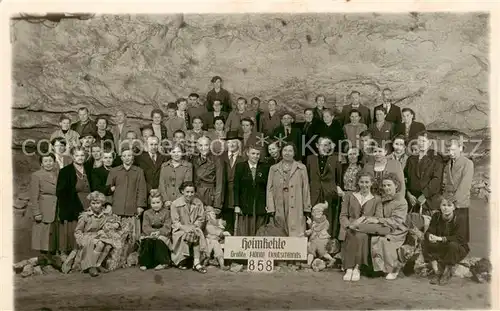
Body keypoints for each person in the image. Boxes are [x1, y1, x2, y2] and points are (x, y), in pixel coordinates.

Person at [106, 146, 147, 265]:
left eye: (129, 155)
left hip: (132, 208)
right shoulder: (114, 171)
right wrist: (109, 204)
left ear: (133, 158)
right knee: (118, 236)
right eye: (124, 156)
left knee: (132, 237)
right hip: (117, 208)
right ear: (121, 158)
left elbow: (141, 189)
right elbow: (108, 190)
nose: (127, 158)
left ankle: (129, 259)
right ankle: (116, 260)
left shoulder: (138, 171)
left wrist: (140, 205)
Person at [339, 171, 382, 281]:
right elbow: (343, 215)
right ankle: (349, 268)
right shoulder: (350, 196)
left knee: (361, 236)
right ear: (358, 182)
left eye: (367, 182)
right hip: (350, 227)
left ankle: (356, 268)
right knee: (352, 234)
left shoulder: (376, 199)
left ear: (372, 183)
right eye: (362, 182)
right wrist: (349, 225)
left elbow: (378, 218)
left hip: (365, 228)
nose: (364, 185)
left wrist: (364, 219)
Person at [266, 142, 311, 237]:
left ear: (294, 153)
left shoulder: (301, 168)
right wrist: (271, 207)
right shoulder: (273, 169)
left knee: (296, 232)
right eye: (285, 150)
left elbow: (305, 188)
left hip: (296, 204)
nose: (287, 153)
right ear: (281, 152)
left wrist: (306, 207)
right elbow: (269, 189)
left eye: (290, 151)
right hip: (279, 204)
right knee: (280, 232)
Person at [423, 195, 470, 285]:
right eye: (443, 205)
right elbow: (429, 231)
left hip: (457, 248)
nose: (446, 208)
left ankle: (446, 272)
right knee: (425, 242)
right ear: (440, 206)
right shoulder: (436, 216)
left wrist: (440, 238)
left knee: (453, 245)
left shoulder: (460, 219)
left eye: (449, 205)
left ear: (454, 207)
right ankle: (437, 272)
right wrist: (430, 236)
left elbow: (460, 238)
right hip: (442, 246)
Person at [370, 173, 408, 280]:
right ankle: (380, 268)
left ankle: (393, 269)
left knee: (385, 239)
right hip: (384, 227)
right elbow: (378, 216)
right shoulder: (381, 200)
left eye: (389, 185)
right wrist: (378, 221)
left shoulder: (401, 201)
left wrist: (379, 220)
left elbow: (396, 221)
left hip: (398, 230)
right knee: (375, 238)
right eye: (384, 185)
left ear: (396, 185)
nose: (386, 188)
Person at [56, 146, 93, 255]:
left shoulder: (89, 170)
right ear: (72, 157)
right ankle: (73, 256)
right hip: (73, 205)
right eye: (77, 155)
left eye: (82, 155)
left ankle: (86, 256)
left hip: (90, 204)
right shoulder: (65, 171)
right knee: (75, 231)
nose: (80, 158)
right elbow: (60, 192)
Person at [73, 191, 120, 277]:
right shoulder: (85, 216)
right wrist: (82, 241)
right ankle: (91, 266)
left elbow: (112, 220)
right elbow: (78, 231)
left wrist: (115, 224)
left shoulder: (104, 214)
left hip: (98, 234)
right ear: (90, 203)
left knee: (109, 245)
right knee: (100, 244)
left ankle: (98, 264)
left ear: (102, 203)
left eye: (98, 203)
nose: (95, 205)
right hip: (87, 236)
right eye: (93, 203)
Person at [306, 137, 341, 236]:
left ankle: (327, 244)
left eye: (326, 144)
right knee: (314, 218)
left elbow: (338, 178)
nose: (323, 147)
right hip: (314, 193)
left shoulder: (335, 159)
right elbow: (308, 177)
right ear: (317, 146)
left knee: (328, 219)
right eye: (321, 144)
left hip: (329, 194)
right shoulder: (310, 159)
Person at [441, 138, 474, 242]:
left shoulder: (468, 163)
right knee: (449, 233)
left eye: (453, 150)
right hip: (448, 201)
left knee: (460, 234)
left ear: (460, 148)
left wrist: (454, 202)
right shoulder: (447, 164)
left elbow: (465, 186)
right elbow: (445, 183)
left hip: (460, 202)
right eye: (449, 150)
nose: (451, 153)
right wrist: (445, 200)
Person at [170, 182, 208, 273]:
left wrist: (194, 226)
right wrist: (185, 228)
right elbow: (175, 222)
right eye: (187, 192)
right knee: (186, 235)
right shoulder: (175, 204)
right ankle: (182, 260)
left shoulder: (198, 203)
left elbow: (201, 218)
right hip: (180, 229)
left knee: (196, 233)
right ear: (182, 191)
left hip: (194, 227)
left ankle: (196, 261)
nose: (189, 194)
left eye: (192, 192)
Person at [405, 131, 444, 214]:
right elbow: (405, 178)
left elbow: (436, 180)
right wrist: (408, 194)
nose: (421, 143)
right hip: (412, 199)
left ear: (429, 143)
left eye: (424, 141)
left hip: (428, 200)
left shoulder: (436, 159)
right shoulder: (411, 159)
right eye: (419, 141)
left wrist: (424, 195)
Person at [234, 145, 269, 236]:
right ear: (248, 153)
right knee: (245, 231)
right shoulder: (240, 166)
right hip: (245, 204)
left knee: (259, 230)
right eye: (253, 153)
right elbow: (236, 187)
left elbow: (268, 188)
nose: (255, 156)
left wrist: (268, 204)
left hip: (260, 204)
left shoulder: (265, 167)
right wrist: (237, 205)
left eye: (258, 154)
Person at [30, 153, 59, 260]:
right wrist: (36, 212)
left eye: (50, 161)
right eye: (45, 161)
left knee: (53, 233)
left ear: (54, 162)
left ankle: (52, 258)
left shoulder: (57, 174)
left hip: (56, 207)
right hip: (44, 207)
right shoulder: (36, 175)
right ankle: (44, 259)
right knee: (43, 234)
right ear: (41, 163)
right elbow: (33, 196)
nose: (48, 164)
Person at [139, 189, 172, 271]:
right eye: (153, 203)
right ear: (150, 204)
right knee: (146, 241)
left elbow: (167, 226)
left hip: (163, 234)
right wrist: (152, 233)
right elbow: (145, 226)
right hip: (150, 233)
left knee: (159, 241)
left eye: (158, 202)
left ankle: (163, 262)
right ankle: (145, 263)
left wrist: (159, 232)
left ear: (162, 202)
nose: (156, 205)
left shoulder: (166, 212)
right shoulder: (147, 213)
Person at [220, 131, 245, 234]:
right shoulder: (221, 157)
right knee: (226, 220)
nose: (231, 145)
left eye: (234, 142)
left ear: (238, 144)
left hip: (238, 192)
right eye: (229, 142)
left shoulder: (243, 158)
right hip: (224, 193)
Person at [192, 136, 224, 212]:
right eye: (201, 145)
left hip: (210, 195)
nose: (203, 148)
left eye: (206, 145)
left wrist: (217, 204)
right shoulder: (194, 159)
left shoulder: (217, 160)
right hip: (196, 195)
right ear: (197, 147)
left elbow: (220, 183)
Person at [203, 206, 230, 270]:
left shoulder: (217, 222)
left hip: (215, 240)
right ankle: (203, 264)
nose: (214, 215)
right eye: (212, 213)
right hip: (209, 240)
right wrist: (222, 233)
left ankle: (222, 265)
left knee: (219, 253)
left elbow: (220, 229)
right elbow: (212, 231)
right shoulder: (208, 224)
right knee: (207, 253)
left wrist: (222, 232)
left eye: (214, 214)